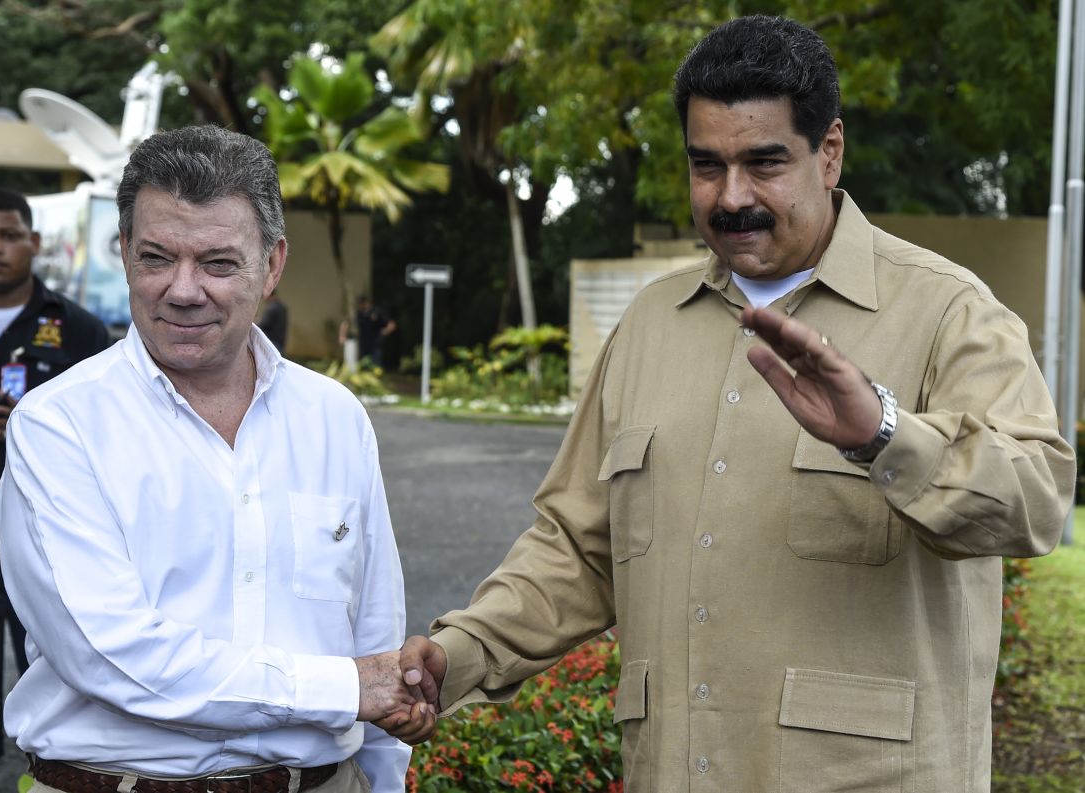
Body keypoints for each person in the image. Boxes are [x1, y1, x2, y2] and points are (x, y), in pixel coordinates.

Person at [381, 15, 1076, 792]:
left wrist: (884, 434)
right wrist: (459, 653)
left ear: (831, 152)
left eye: (765, 162)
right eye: (706, 165)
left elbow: (1037, 498)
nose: (732, 195)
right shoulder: (649, 324)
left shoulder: (947, 310)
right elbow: (577, 547)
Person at [0, 126, 434, 793]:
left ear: (273, 263)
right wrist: (342, 686)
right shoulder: (59, 427)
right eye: (156, 257)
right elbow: (111, 653)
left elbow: (376, 627)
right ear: (123, 254)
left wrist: (382, 772)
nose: (183, 288)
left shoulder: (334, 418)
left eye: (219, 263)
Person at [0, 188, 109, 758]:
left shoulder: (77, 330)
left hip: (51, 546)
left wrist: (37, 437)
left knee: (67, 697)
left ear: (34, 243)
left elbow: (113, 434)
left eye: (8, 236)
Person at [354, 296, 396, 368]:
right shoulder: (360, 314)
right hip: (364, 345)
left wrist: (384, 332)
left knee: (376, 365)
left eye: (361, 303)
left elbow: (392, 324)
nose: (360, 306)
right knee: (364, 366)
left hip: (375, 344)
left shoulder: (377, 312)